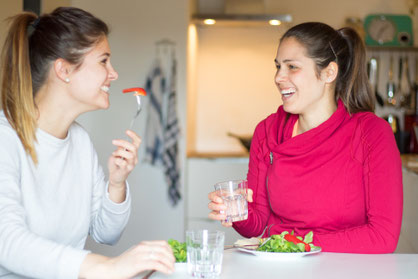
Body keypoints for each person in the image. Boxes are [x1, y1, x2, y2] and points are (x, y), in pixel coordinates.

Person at [0, 7, 174, 278]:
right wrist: (107, 266)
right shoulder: (5, 139)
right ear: (64, 70)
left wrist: (116, 184)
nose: (113, 74)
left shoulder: (79, 140)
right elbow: (7, 242)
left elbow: (107, 233)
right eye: (104, 61)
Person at [208, 22, 403, 253]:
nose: (279, 77)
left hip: (349, 270)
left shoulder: (371, 134)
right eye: (278, 66)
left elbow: (382, 237)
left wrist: (293, 244)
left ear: (329, 73)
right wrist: (236, 211)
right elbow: (258, 222)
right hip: (279, 266)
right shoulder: (267, 132)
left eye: (292, 67)